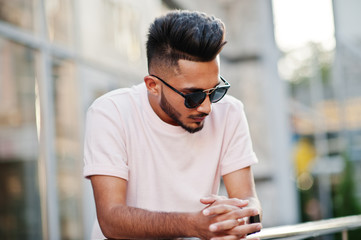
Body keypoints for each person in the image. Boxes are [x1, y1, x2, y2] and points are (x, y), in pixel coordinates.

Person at [83, 10, 262, 239]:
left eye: (215, 91)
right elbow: (111, 219)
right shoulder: (111, 112)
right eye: (193, 96)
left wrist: (241, 217)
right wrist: (192, 225)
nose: (207, 107)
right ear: (153, 85)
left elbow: (248, 199)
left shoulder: (230, 112)